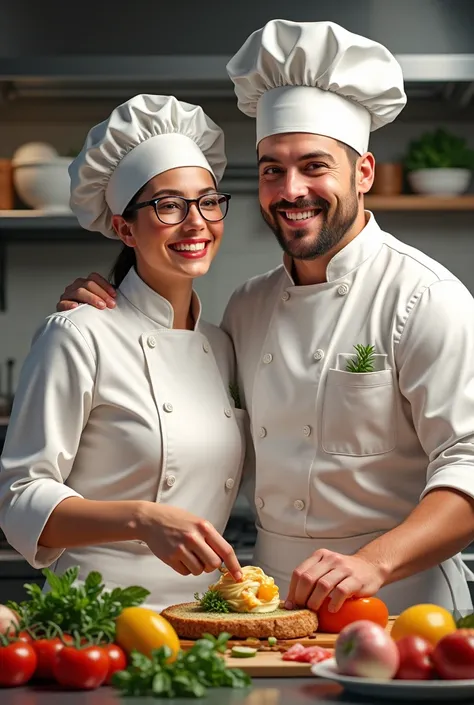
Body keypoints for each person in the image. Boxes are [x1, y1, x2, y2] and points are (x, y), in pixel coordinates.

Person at [56, 21, 474, 615]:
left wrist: (373, 562)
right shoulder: (246, 308)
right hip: (274, 606)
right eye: (273, 169)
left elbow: (469, 464)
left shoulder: (426, 297)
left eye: (314, 165)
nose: (290, 189)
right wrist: (110, 314)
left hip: (402, 602)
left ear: (364, 174)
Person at [0, 94, 249, 612]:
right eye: (169, 205)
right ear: (123, 227)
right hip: (98, 618)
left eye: (207, 200)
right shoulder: (77, 333)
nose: (197, 221)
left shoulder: (222, 346)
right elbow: (19, 495)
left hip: (205, 619)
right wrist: (142, 518)